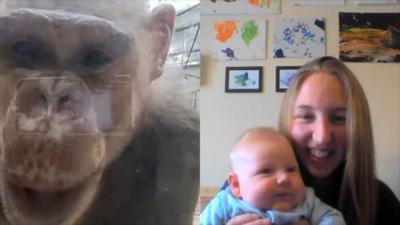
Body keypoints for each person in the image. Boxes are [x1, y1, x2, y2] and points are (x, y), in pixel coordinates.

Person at [226, 56, 400, 225]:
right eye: (306, 116)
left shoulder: (381, 202)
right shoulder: (244, 181)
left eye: (339, 118)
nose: (322, 136)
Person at [201, 127, 346, 225]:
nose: (284, 178)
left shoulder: (307, 201)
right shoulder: (226, 204)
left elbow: (334, 217)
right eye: (266, 171)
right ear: (236, 185)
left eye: (291, 169)